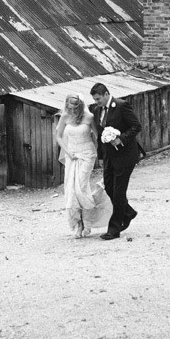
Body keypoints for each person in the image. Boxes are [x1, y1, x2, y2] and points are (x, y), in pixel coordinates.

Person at [54, 94, 112, 238]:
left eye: (75, 108)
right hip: (71, 154)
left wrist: (104, 154)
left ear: (80, 106)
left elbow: (98, 135)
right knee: (71, 190)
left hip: (87, 154)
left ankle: (88, 222)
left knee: (81, 187)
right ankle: (79, 225)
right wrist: (67, 151)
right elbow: (59, 136)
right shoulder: (65, 117)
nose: (72, 111)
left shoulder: (89, 117)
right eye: (69, 108)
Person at [89, 83, 142, 240]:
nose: (96, 102)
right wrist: (100, 155)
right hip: (108, 157)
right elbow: (99, 135)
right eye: (94, 99)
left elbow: (136, 126)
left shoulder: (121, 106)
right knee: (109, 188)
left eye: (98, 99)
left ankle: (114, 228)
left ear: (106, 94)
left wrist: (121, 139)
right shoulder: (97, 110)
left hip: (125, 155)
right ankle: (128, 212)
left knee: (118, 192)